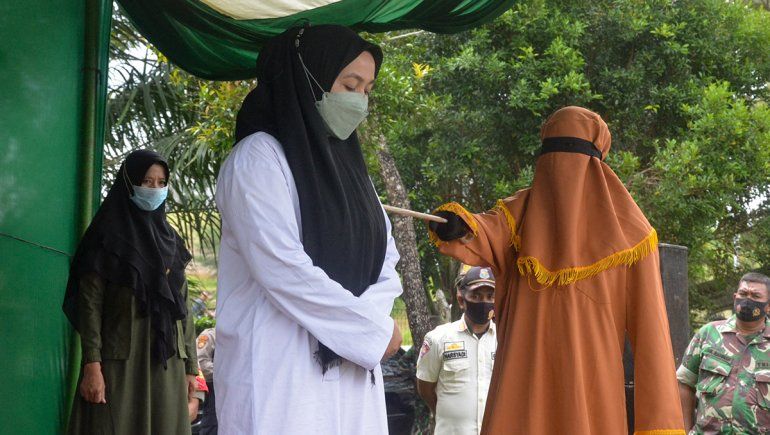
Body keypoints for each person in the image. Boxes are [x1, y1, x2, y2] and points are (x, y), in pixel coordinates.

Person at [428, 106, 685, 434]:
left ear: (594, 161)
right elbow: (476, 234)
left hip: (592, 389)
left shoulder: (633, 235)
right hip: (523, 381)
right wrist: (456, 225)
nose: (562, 170)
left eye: (572, 154)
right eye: (552, 155)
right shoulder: (516, 217)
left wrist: (658, 425)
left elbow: (651, 336)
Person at [214, 24, 403, 434]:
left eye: (367, 90)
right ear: (307, 77)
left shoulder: (354, 174)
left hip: (353, 371)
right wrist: (369, 331)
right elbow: (282, 268)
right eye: (350, 84)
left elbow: (387, 259)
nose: (358, 100)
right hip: (281, 371)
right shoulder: (258, 159)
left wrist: (370, 322)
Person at [63, 150, 199, 434]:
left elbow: (183, 308)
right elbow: (90, 305)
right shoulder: (105, 238)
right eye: (147, 182)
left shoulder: (171, 241)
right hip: (120, 363)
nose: (155, 189)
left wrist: (191, 368)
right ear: (129, 182)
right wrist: (92, 364)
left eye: (161, 183)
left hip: (167, 366)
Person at [677, 272, 770, 434]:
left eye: (755, 296)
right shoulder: (708, 334)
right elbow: (684, 383)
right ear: (735, 297)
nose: (747, 300)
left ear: (768, 306)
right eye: (743, 294)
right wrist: (684, 430)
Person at [416, 266, 497, 435]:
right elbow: (425, 387)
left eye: (490, 296)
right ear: (461, 300)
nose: (484, 302)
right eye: (476, 296)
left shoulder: (505, 340)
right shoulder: (438, 338)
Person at [196, 327, 218, 434]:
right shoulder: (211, 335)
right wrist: (225, 375)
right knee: (212, 426)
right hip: (214, 390)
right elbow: (202, 364)